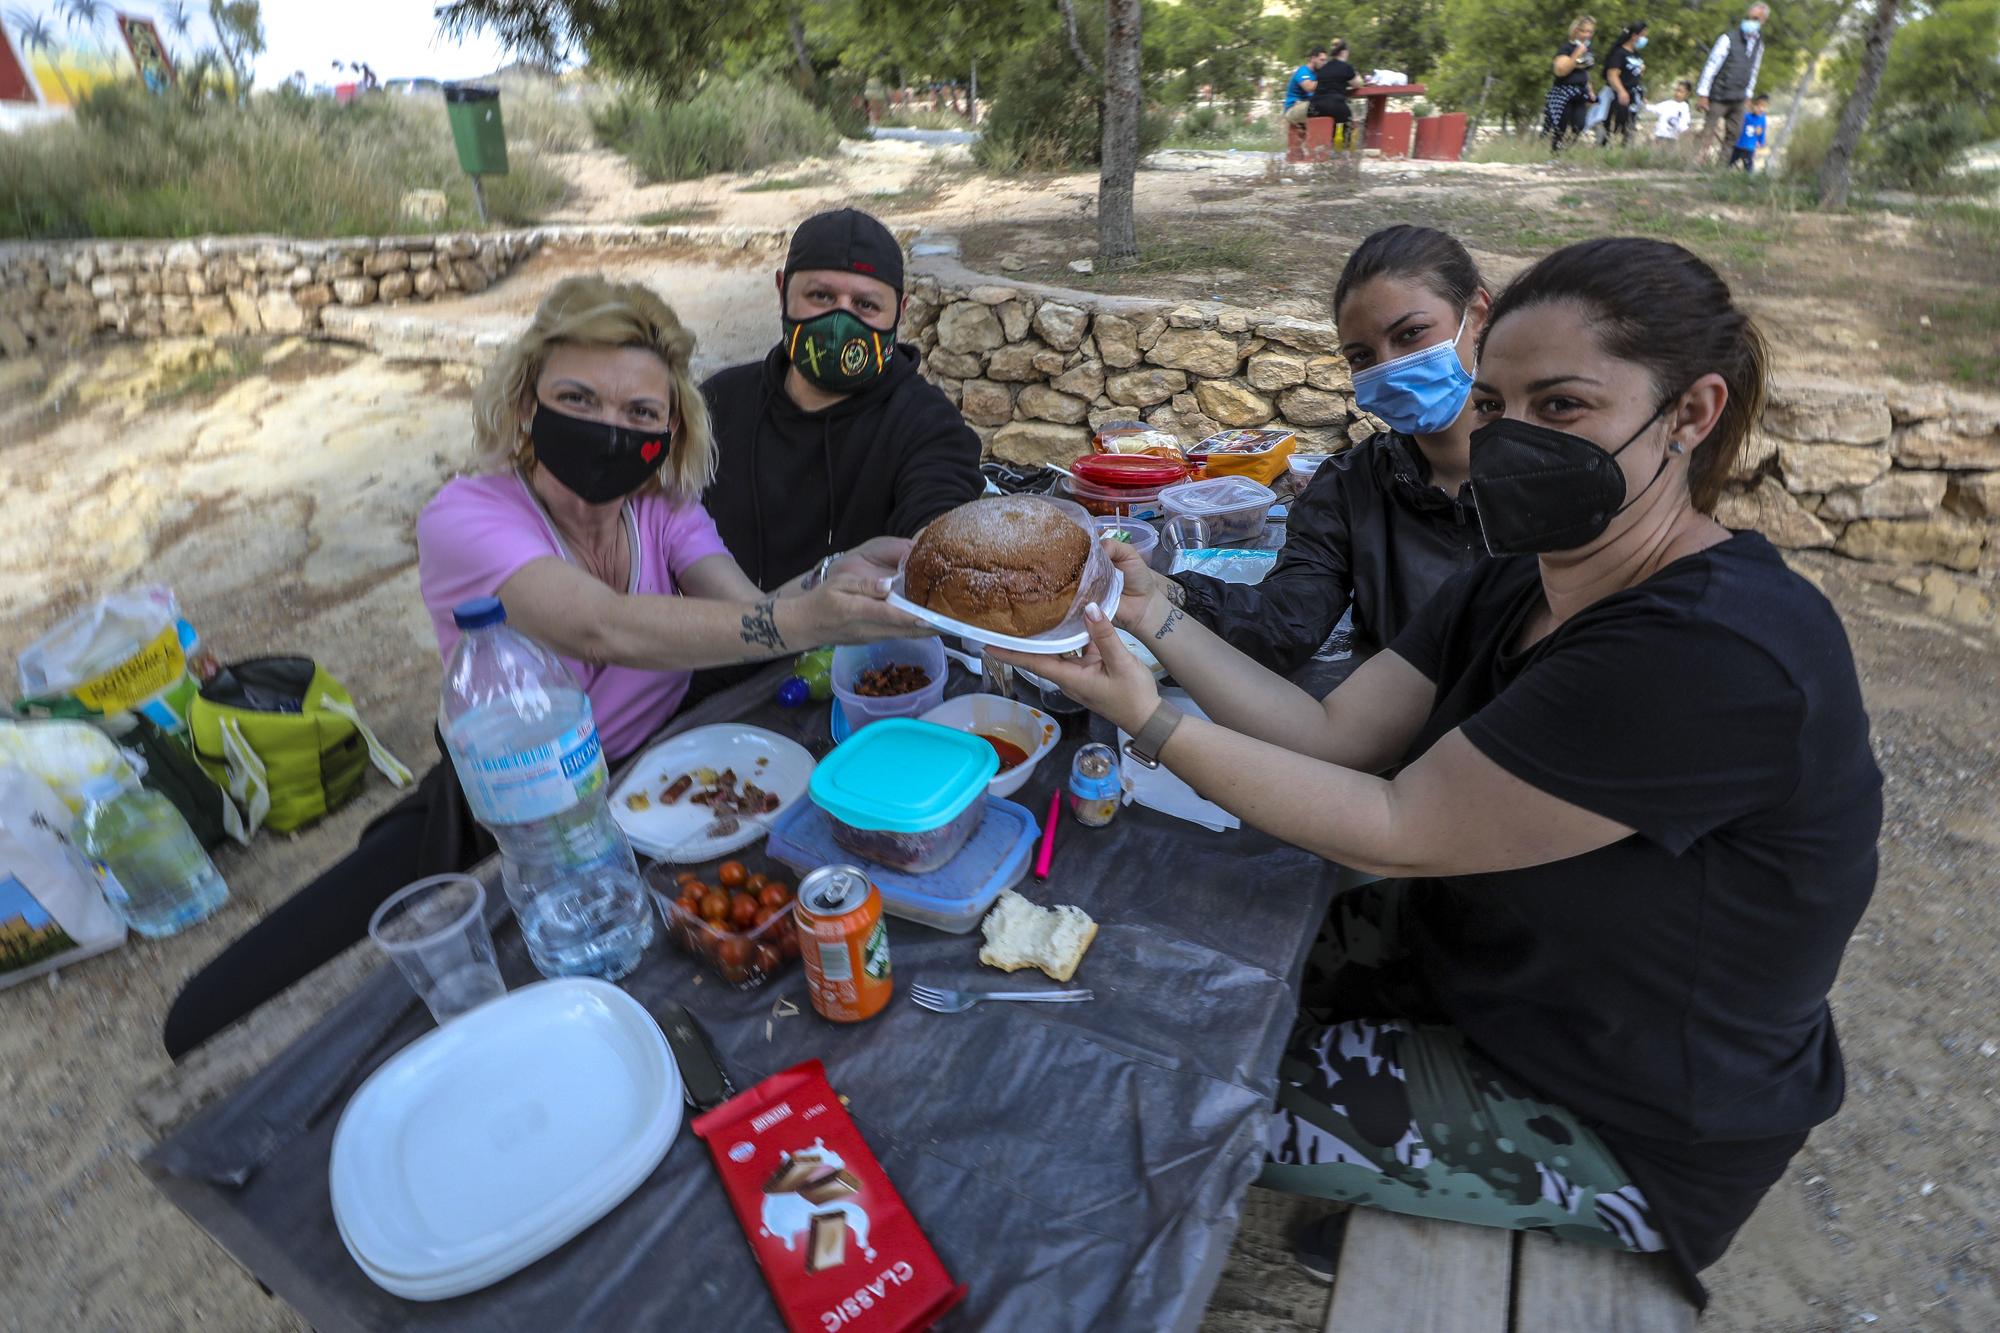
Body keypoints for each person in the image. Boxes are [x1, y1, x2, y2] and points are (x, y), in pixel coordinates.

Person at [998, 237, 1882, 1305]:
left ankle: (1474, 1197)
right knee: (1151, 956)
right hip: (1496, 976)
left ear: (1689, 414)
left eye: (1562, 406)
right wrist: (1154, 616)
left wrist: (1142, 716)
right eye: (1500, 405)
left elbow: (1389, 823)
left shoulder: (1710, 654)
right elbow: (1329, 736)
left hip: (1622, 1111)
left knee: (1149, 1083)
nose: (1511, 440)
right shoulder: (1524, 574)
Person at [162, 276, 923, 1059]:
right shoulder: (468, 518)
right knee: (289, 1010)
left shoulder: (659, 499)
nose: (609, 429)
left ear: (671, 427)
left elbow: (745, 614)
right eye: (578, 398)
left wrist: (834, 575)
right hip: (514, 810)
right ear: (527, 403)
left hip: (654, 785)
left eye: (640, 413)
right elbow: (604, 626)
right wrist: (799, 616)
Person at [1169, 225, 1487, 684]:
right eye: (1361, 357)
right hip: (1388, 734)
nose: (1390, 368)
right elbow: (1287, 621)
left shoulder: (1556, 479)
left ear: (1476, 314)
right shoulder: (1349, 487)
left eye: (1412, 334)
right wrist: (1163, 595)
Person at [700, 208, 984, 593]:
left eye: (866, 305)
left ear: (899, 312)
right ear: (783, 291)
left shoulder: (928, 423)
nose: (840, 321)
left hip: (859, 652)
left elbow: (938, 527)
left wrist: (937, 553)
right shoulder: (717, 404)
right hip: (721, 642)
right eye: (821, 296)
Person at [1698, 4, 1768, 164]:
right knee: (1707, 132)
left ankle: (1719, 171)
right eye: (1748, 18)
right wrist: (1703, 93)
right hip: (1719, 95)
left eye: (1755, 19)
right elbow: (1711, 65)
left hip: (1740, 97)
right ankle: (1694, 166)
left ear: (1764, 21)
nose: (1750, 21)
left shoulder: (1759, 44)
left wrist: (1748, 95)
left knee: (1733, 135)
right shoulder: (1728, 38)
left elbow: (1754, 70)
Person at [1544, 15, 1598, 153]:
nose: (1587, 35)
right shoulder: (1566, 48)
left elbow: (1585, 72)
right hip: (1564, 92)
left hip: (1580, 92)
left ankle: (1566, 150)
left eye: (1590, 32)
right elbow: (1560, 71)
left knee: (1579, 125)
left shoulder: (1588, 49)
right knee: (1560, 126)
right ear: (1576, 31)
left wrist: (1590, 89)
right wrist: (1576, 53)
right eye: (1584, 31)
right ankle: (1555, 152)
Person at [1597, 21, 1649, 146]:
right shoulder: (1619, 53)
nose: (1644, 39)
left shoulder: (1636, 54)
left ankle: (1625, 149)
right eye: (1643, 35)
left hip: (1633, 94)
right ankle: (1605, 145)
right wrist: (1621, 91)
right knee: (1614, 123)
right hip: (1617, 95)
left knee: (1629, 125)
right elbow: (1612, 75)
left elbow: (1634, 75)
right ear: (1634, 36)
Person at [1307, 39, 1363, 149]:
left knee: (1336, 121)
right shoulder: (1346, 67)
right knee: (1347, 123)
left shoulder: (1324, 67)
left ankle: (1328, 150)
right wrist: (1357, 75)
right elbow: (1357, 84)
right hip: (1335, 104)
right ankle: (1346, 151)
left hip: (1314, 107)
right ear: (1344, 52)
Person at [1284, 47, 1330, 160]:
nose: (1324, 63)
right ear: (1313, 58)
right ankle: (1315, 152)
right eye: (1322, 60)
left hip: (1308, 107)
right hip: (1293, 109)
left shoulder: (1319, 75)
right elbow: (1309, 87)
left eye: (1325, 61)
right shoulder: (1303, 71)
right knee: (1322, 107)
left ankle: (1327, 151)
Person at [1731, 93, 1770, 170]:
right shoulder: (1746, 116)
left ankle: (1747, 180)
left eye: (1763, 107)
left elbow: (1762, 132)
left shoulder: (1762, 119)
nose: (1760, 109)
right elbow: (1737, 126)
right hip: (1738, 145)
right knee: (1729, 162)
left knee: (1748, 167)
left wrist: (1761, 142)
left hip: (1749, 148)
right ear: (1753, 105)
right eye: (1758, 106)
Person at [1652, 79, 1695, 145]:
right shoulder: (1668, 103)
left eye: (1681, 92)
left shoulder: (1684, 108)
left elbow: (1684, 123)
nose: (1677, 94)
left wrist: (1685, 131)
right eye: (1676, 90)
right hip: (1660, 135)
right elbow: (1655, 109)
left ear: (1687, 94)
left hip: (1672, 137)